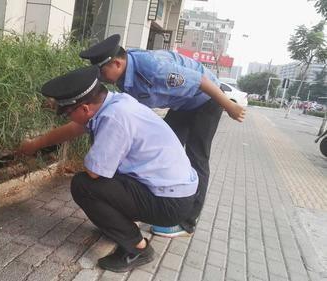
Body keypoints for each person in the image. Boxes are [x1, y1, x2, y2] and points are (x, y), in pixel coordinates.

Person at [18, 65, 199, 272]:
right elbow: (75, 128)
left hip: (169, 203)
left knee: (84, 185)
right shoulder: (115, 102)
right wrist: (34, 145)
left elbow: (95, 171)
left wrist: (92, 155)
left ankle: (137, 249)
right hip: (175, 192)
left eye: (68, 113)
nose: (68, 118)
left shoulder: (114, 118)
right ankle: (119, 225)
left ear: (84, 109)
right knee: (108, 177)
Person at [78, 34, 246, 237]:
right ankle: (143, 204)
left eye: (101, 71)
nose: (100, 77)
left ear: (116, 63)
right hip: (182, 104)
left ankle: (187, 222)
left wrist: (229, 106)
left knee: (197, 156)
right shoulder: (122, 76)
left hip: (206, 101)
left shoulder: (154, 68)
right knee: (164, 148)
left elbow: (201, 81)